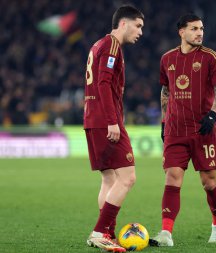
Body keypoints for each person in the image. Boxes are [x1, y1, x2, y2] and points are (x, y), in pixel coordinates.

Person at [151, 13, 216, 246]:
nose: (200, 33)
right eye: (194, 29)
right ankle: (166, 233)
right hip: (175, 129)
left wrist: (213, 114)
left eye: (201, 28)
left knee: (209, 182)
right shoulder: (167, 59)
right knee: (172, 177)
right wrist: (164, 121)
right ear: (181, 32)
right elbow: (165, 91)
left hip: (202, 129)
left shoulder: (211, 57)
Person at [83, 5, 144, 252]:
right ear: (123, 24)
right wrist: (112, 120)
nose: (141, 31)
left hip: (92, 118)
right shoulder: (111, 46)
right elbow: (104, 82)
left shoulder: (98, 44)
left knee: (109, 178)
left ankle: (106, 232)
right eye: (138, 25)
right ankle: (99, 231)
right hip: (105, 119)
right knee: (128, 177)